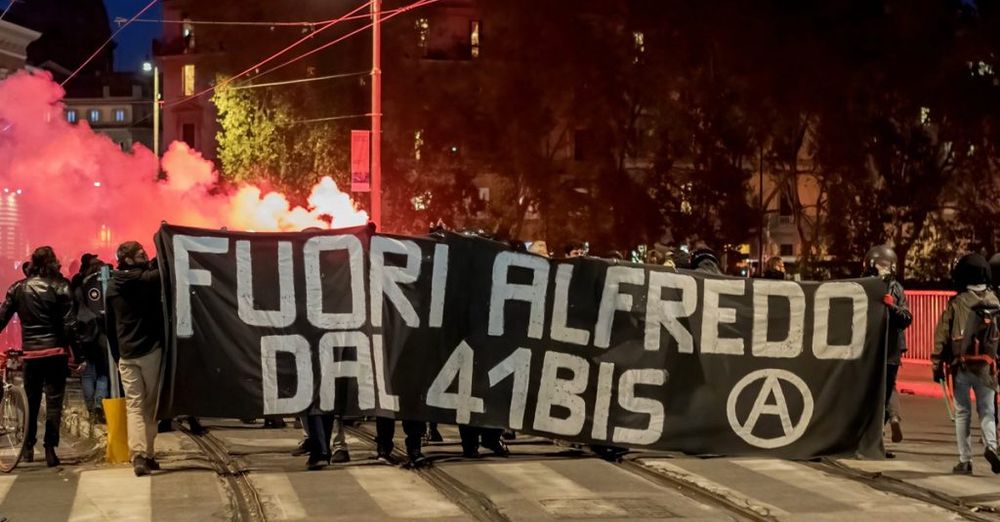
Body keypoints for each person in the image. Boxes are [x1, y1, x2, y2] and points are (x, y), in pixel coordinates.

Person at [0, 246, 75, 467]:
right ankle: (50, 448)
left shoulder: (18, 288)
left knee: (31, 401)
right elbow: (70, 325)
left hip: (32, 354)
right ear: (53, 262)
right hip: (56, 352)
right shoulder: (61, 286)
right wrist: (78, 355)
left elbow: (2, 318)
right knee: (54, 402)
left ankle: (28, 447)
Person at [932, 254, 1000, 475]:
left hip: (961, 367)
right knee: (987, 411)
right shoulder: (995, 301)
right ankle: (992, 446)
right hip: (987, 367)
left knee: (963, 413)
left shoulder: (957, 302)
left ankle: (965, 460)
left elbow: (942, 336)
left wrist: (936, 364)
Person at [106, 241, 166, 477]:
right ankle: (148, 454)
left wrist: (116, 354)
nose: (146, 256)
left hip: (126, 354)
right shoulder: (146, 281)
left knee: (134, 406)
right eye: (141, 254)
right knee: (150, 407)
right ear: (129, 259)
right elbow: (163, 270)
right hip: (150, 351)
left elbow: (109, 325)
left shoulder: (112, 286)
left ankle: (138, 455)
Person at [862, 245, 912, 448]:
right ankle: (893, 420)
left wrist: (890, 306)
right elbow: (906, 317)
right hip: (889, 346)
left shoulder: (865, 285)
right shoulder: (896, 287)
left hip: (877, 345)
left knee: (873, 388)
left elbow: (905, 317)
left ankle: (876, 435)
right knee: (888, 387)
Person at [71, 254, 111, 424]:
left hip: (83, 334)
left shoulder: (78, 285)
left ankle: (90, 410)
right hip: (101, 333)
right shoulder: (103, 284)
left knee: (87, 373)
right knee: (103, 371)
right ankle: (99, 402)